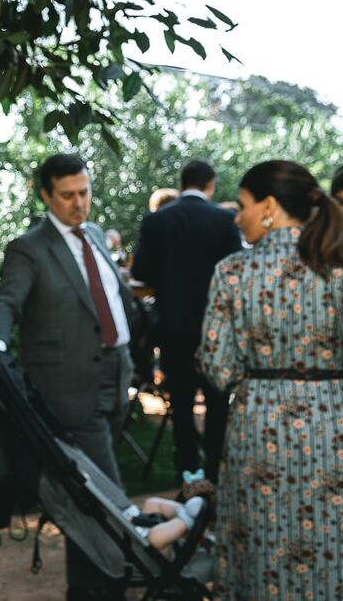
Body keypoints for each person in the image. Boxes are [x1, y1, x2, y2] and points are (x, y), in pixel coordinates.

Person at [0, 153, 136, 601]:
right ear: (45, 194)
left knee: (90, 494)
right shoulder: (29, 247)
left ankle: (90, 586)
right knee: (103, 496)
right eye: (67, 195)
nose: (79, 203)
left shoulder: (98, 236)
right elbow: (6, 303)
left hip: (116, 377)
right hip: (68, 389)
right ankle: (106, 585)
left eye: (84, 192)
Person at [199, 160, 343, 601]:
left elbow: (217, 368)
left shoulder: (232, 271)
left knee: (259, 537)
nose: (236, 216)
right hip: (334, 424)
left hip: (258, 425)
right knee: (331, 538)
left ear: (268, 206)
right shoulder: (338, 267)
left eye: (241, 205)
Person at [130, 160, 241, 483]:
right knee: (217, 402)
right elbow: (236, 271)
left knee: (180, 402)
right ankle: (215, 472)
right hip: (216, 329)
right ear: (211, 184)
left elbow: (141, 274)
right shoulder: (224, 219)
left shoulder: (158, 220)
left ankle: (188, 473)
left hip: (173, 328)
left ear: (182, 183)